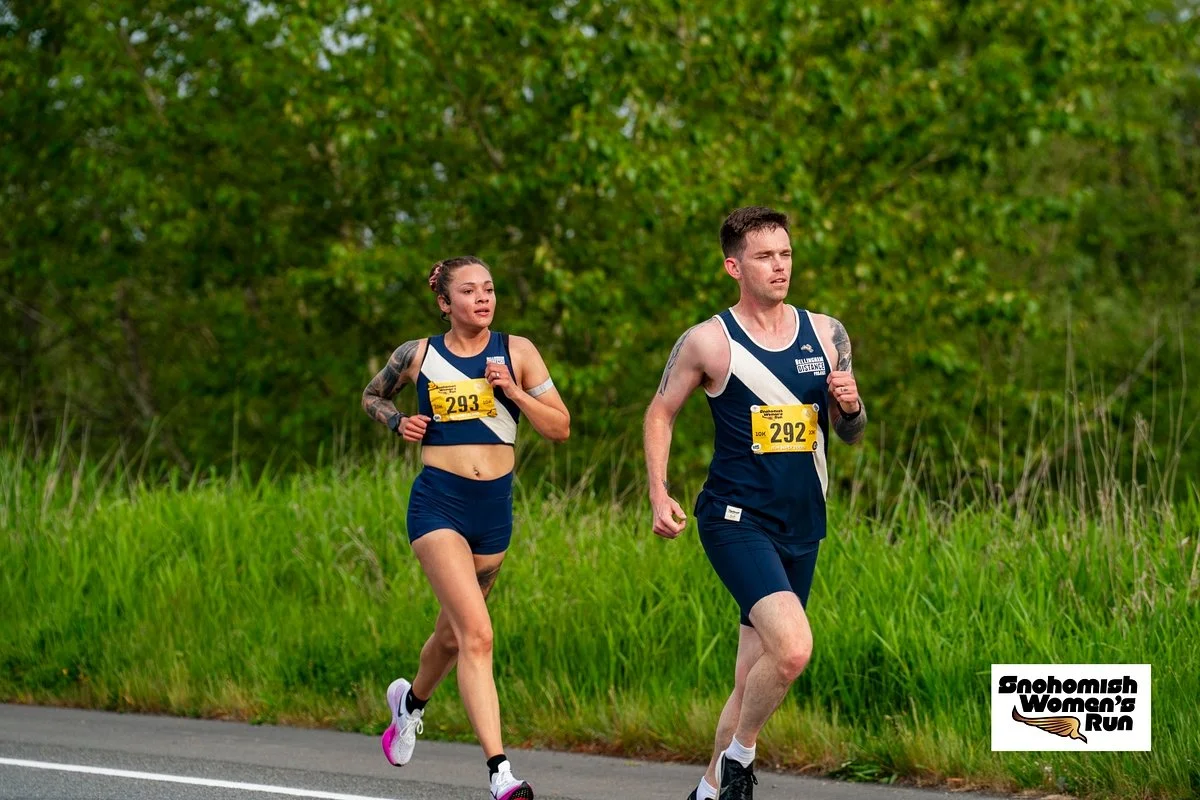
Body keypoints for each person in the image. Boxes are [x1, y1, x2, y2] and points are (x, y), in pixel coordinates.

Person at [643, 207, 867, 800]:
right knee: (793, 649)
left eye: (786, 254)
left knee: (750, 679)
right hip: (735, 520)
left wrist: (850, 406)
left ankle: (707, 791)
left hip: (803, 524)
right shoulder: (709, 341)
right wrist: (657, 489)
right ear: (733, 266)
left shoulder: (827, 333)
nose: (780, 266)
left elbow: (851, 433)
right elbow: (661, 411)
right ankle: (741, 760)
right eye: (765, 256)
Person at [362, 256, 570, 800]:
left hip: (493, 512)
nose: (483, 298)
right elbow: (371, 395)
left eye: (490, 289)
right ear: (444, 303)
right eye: (470, 291)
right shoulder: (418, 355)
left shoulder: (517, 352)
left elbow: (561, 427)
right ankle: (501, 774)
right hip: (438, 507)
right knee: (478, 635)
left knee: (453, 636)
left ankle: (408, 705)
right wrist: (396, 421)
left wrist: (516, 394)